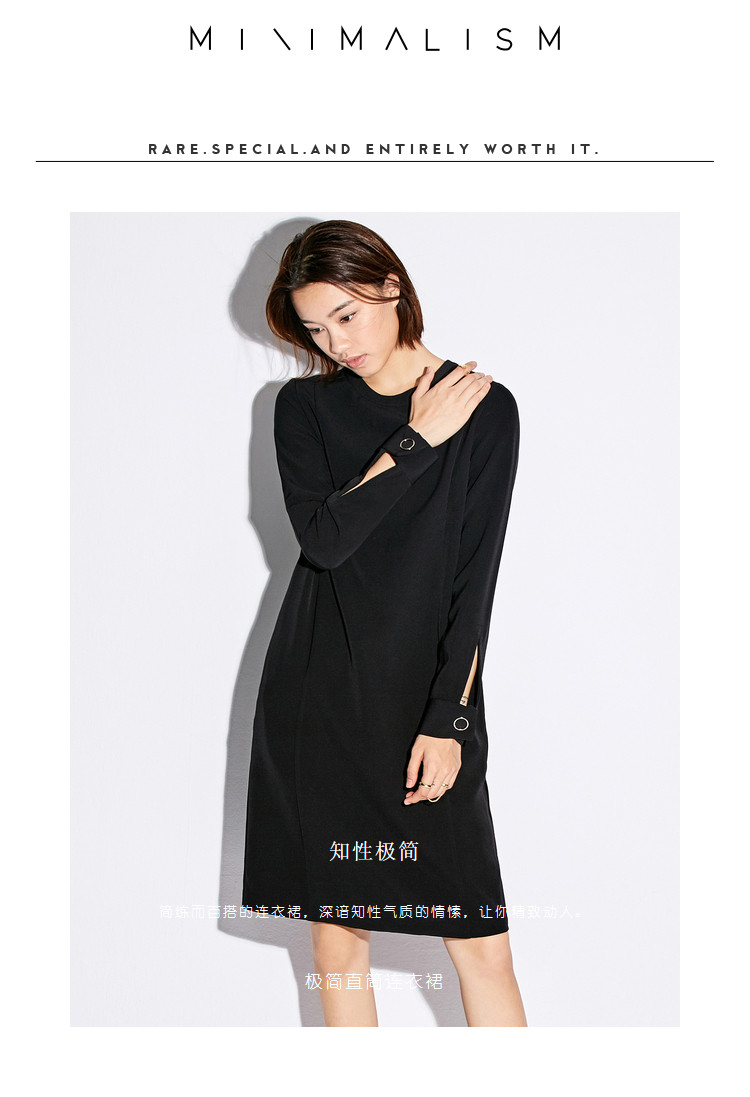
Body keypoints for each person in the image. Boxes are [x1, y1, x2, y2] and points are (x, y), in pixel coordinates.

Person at [242, 219, 527, 1026]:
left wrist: (450, 720)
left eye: (347, 314)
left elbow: (476, 583)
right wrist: (415, 438)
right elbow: (326, 542)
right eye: (316, 328)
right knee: (338, 946)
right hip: (321, 701)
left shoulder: (483, 407)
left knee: (482, 947)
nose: (337, 343)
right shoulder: (302, 407)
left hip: (425, 702)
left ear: (391, 287)